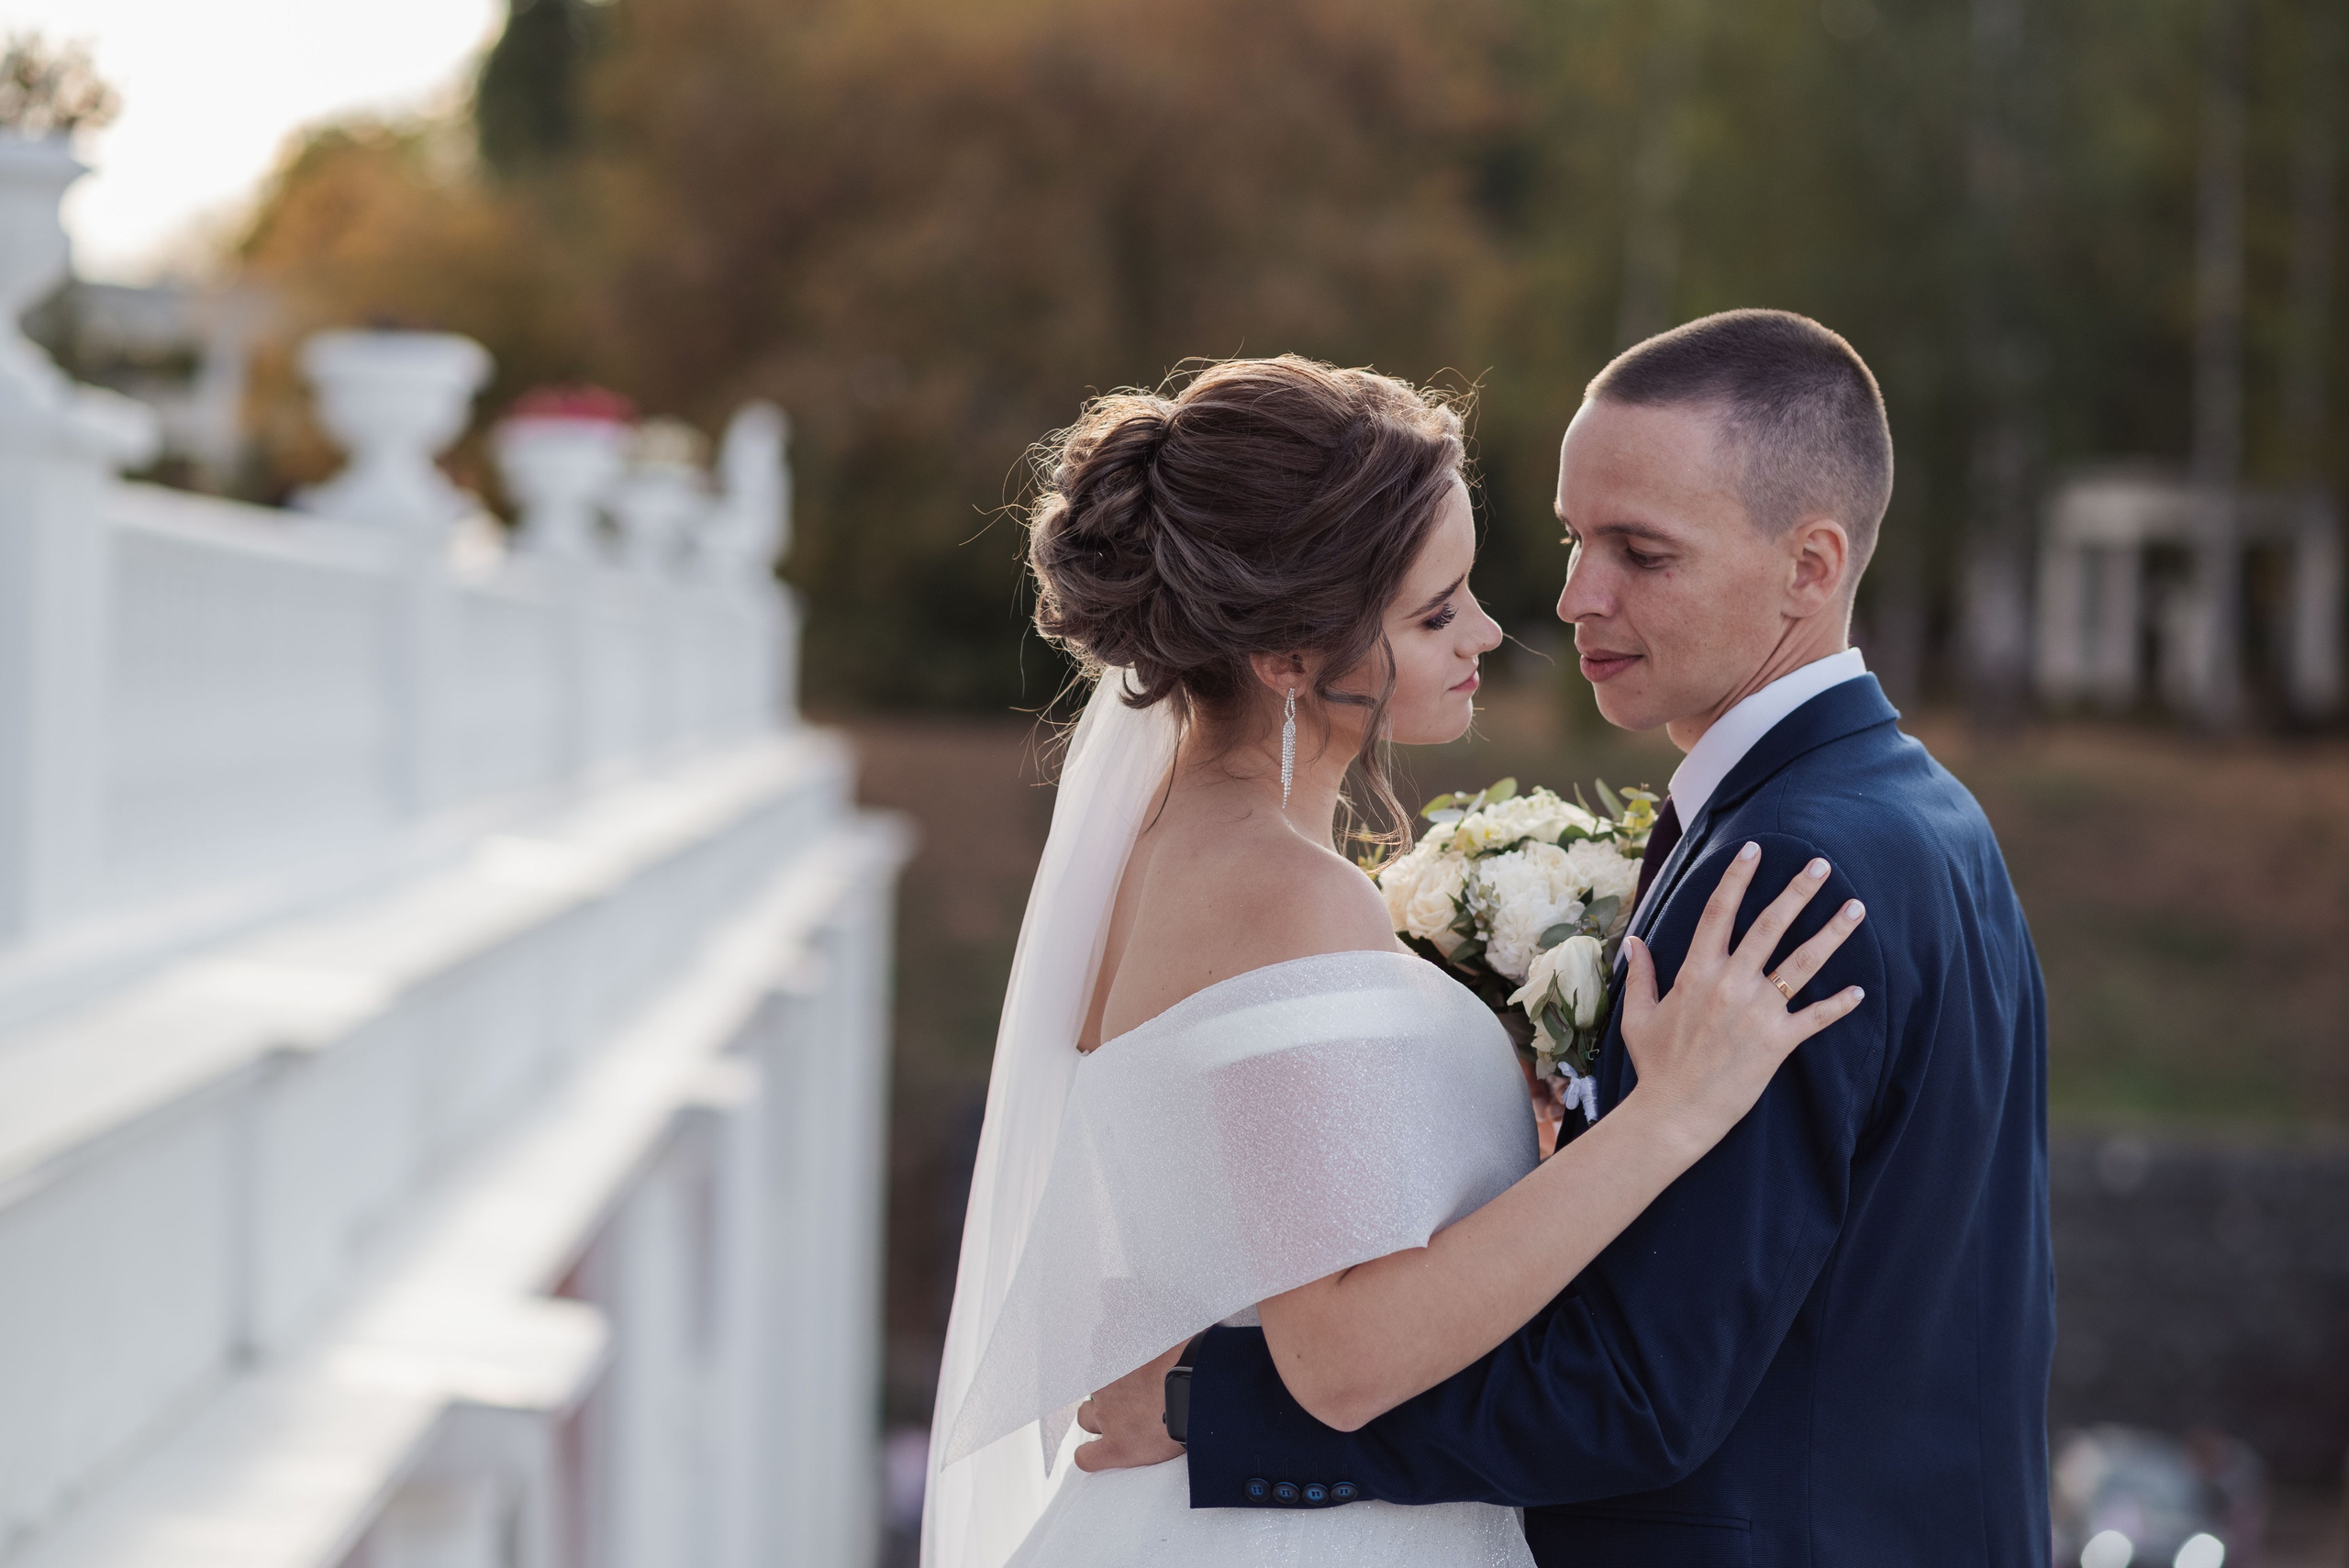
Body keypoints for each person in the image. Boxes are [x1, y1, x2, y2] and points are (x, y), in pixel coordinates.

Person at [1079, 312, 2056, 1567]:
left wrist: (1216, 1408)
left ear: (1810, 567)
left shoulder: (1786, 872)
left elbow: (1637, 1388)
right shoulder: (1921, 813)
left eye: (1641, 552)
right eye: (1573, 540)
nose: (1569, 600)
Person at [920, 350, 1868, 1568]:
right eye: (1435, 614)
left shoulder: (1184, 850)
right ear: (1285, 657)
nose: (1488, 631)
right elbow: (1344, 1358)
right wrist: (1668, 1116)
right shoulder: (1280, 893)